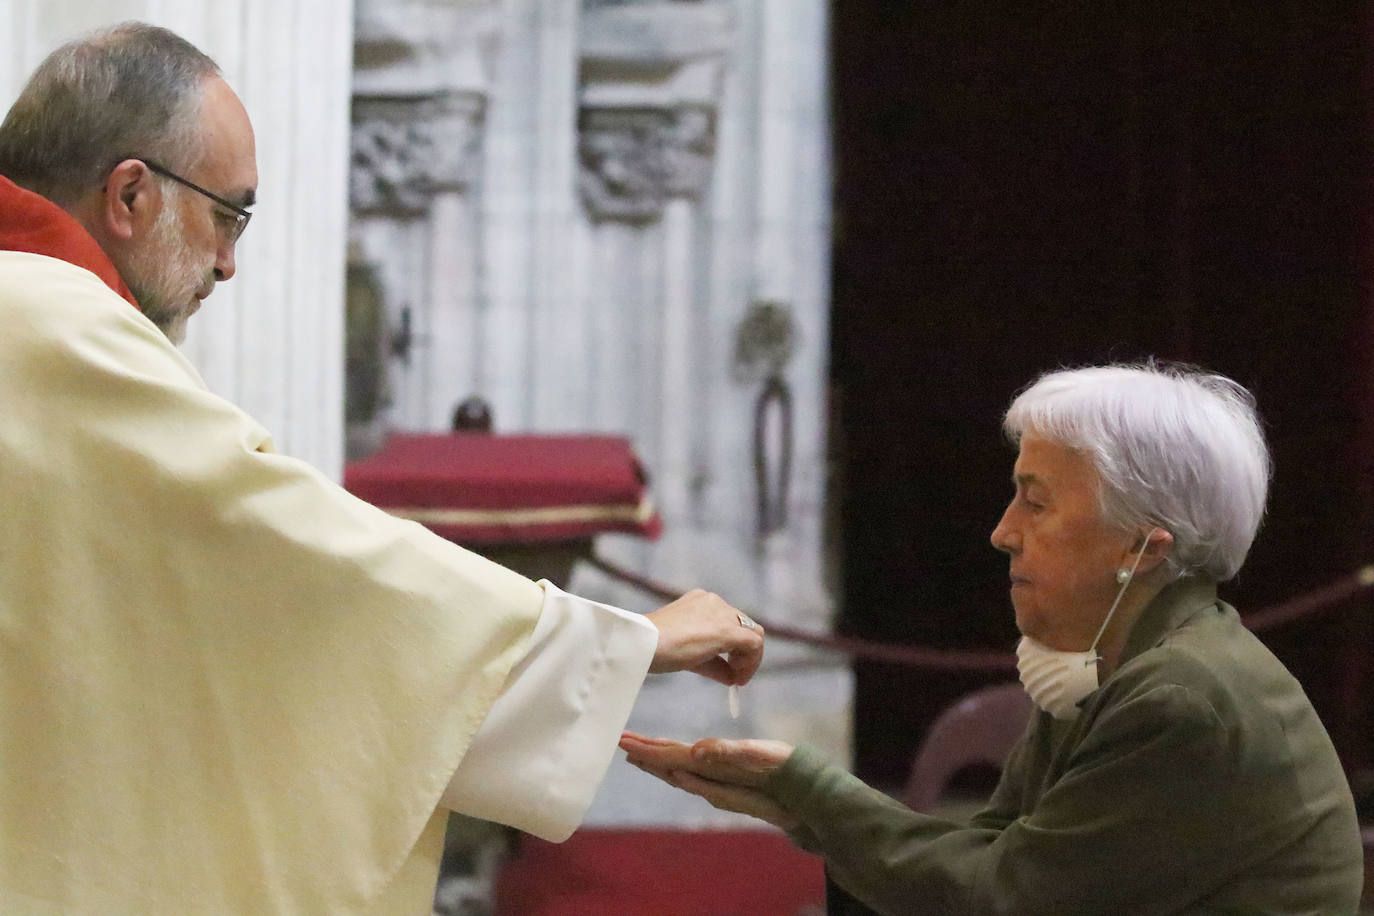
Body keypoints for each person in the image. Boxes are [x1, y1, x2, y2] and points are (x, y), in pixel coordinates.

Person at [0, 22, 765, 915]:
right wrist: (626, 641)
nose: (229, 263)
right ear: (131, 193)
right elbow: (295, 555)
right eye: (228, 214)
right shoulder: (55, 328)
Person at [622, 362, 1366, 914]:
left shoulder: (1181, 697)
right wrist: (799, 803)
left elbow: (1001, 899)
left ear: (1142, 550)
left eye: (1035, 504)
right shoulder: (1111, 664)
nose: (1002, 533)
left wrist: (811, 791)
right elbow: (993, 853)